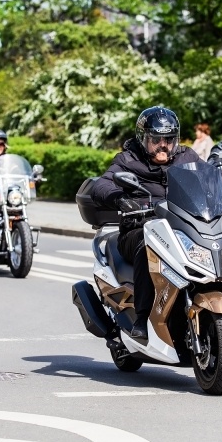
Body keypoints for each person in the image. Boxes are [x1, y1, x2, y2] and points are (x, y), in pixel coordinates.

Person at [91, 106, 204, 340]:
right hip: (138, 229)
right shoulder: (128, 160)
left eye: (169, 140)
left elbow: (212, 176)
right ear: (144, 138)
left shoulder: (187, 157)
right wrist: (121, 199)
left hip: (179, 227)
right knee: (149, 245)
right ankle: (142, 317)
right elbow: (101, 185)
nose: (163, 145)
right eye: (156, 140)